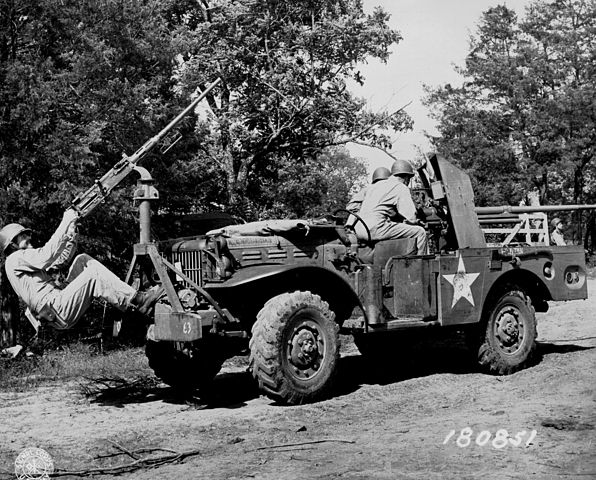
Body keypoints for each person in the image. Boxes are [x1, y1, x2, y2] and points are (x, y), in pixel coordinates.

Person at [0, 209, 164, 330]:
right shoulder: (14, 259)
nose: (29, 237)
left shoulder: (24, 261)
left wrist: (71, 235)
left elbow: (60, 260)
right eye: (23, 236)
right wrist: (66, 220)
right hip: (56, 308)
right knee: (93, 275)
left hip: (57, 301)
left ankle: (127, 299)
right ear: (11, 243)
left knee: (83, 260)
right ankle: (137, 302)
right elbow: (47, 254)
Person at [353, 159, 428, 255]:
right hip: (375, 229)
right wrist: (419, 221)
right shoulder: (400, 187)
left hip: (359, 229)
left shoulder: (375, 186)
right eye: (409, 179)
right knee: (420, 232)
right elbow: (411, 217)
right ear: (406, 177)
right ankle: (421, 266)